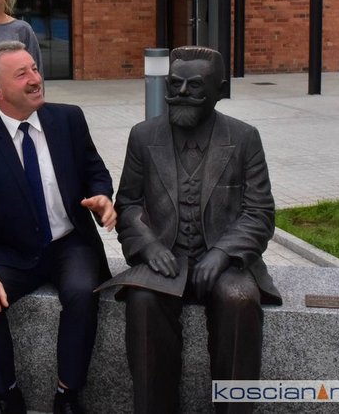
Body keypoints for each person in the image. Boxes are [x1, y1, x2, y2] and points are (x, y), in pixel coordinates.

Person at [0, 40, 116, 414]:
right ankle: (7, 395)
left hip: (68, 243)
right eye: (22, 74)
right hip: (11, 251)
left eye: (35, 69)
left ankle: (67, 394)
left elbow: (95, 170)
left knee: (82, 292)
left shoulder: (68, 119)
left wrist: (101, 196)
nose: (35, 79)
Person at [114, 46, 282, 414]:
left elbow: (259, 212)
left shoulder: (244, 137)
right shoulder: (143, 136)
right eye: (175, 84)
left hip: (226, 261)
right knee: (143, 302)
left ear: (220, 90)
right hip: (165, 256)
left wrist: (223, 252)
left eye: (195, 86)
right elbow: (127, 204)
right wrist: (148, 246)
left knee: (239, 300)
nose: (182, 93)